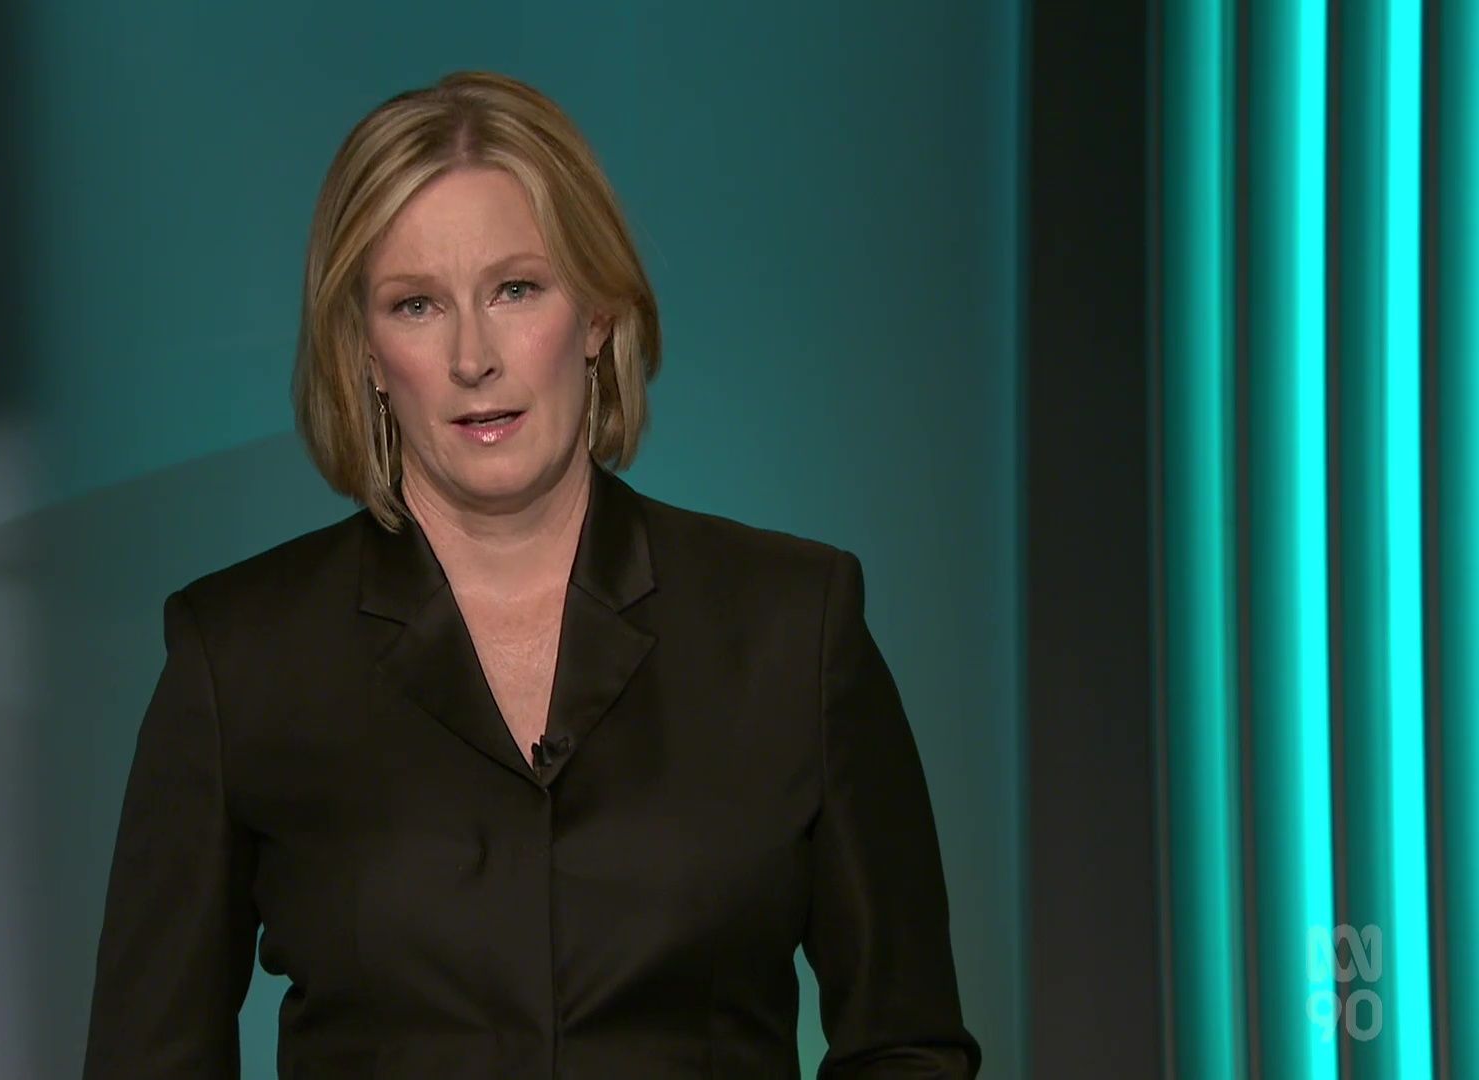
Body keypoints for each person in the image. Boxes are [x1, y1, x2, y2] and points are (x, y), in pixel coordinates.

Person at [82, 70, 981, 1078]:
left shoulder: (792, 625)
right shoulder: (239, 658)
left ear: (596, 313)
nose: (474, 356)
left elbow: (907, 1046)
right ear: (366, 353)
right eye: (416, 305)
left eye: (516, 289)